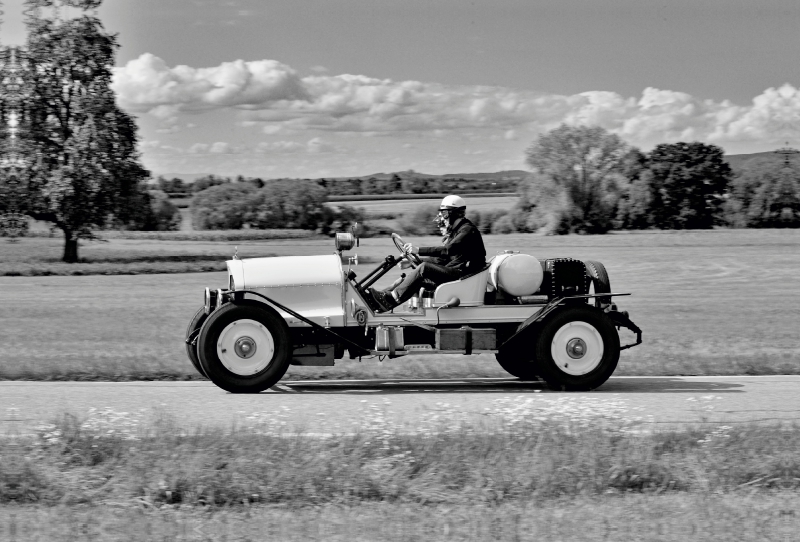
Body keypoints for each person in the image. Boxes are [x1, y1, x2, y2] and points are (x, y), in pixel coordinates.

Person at [370, 195, 486, 312]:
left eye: (444, 214)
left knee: (424, 269)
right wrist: (413, 262)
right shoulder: (457, 231)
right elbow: (441, 259)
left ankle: (389, 300)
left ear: (454, 213)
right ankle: (380, 299)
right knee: (416, 275)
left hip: (464, 276)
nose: (442, 217)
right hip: (458, 273)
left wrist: (418, 250)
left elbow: (447, 250)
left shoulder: (467, 231)